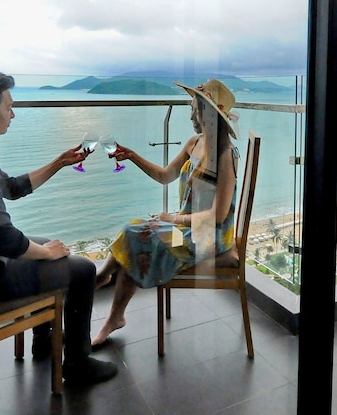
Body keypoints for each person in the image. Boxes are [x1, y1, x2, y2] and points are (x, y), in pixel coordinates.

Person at [0, 67, 117, 385]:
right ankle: (77, 363)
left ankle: (43, 340)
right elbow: (5, 239)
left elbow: (11, 188)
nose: (13, 114)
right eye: (8, 107)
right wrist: (46, 254)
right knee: (83, 270)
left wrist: (59, 163)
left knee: (47, 243)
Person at [91, 79, 240, 348]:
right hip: (187, 229)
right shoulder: (194, 143)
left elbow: (218, 216)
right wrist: (133, 156)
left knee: (139, 235)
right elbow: (164, 176)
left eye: (195, 109)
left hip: (208, 237)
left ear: (209, 114)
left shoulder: (226, 155)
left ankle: (105, 287)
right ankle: (112, 305)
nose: (191, 116)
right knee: (136, 231)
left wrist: (174, 219)